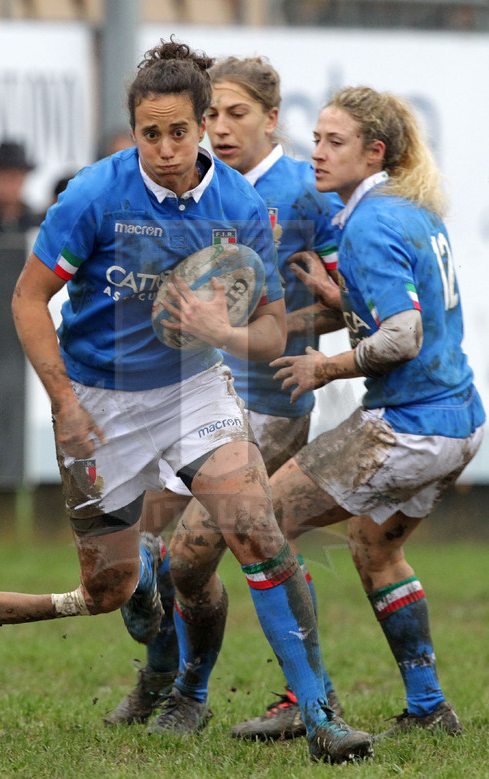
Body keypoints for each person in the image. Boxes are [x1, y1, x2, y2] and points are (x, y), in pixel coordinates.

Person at [0, 40, 373, 764]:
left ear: (204, 125)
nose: (167, 148)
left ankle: (321, 714)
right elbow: (27, 300)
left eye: (181, 131)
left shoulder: (240, 205)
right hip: (96, 399)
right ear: (133, 130)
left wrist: (223, 332)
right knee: (111, 590)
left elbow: (270, 329)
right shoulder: (92, 195)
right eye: (151, 134)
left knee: (255, 529)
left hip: (192, 387)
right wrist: (64, 404)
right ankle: (153, 629)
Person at [106, 55, 346, 741]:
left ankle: (214, 692)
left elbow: (353, 305)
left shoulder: (304, 192)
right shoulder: (189, 190)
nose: (220, 128)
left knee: (196, 558)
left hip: (269, 406)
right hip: (185, 400)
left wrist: (272, 327)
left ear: (272, 118)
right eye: (212, 115)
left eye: (237, 114)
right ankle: (160, 680)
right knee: (142, 558)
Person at [235, 85, 484, 739]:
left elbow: (403, 336)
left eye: (334, 142)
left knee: (261, 521)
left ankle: (308, 704)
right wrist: (339, 297)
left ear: (374, 152)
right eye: (315, 138)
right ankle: (429, 708)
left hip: (406, 428)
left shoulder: (370, 222)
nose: (317, 153)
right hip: (461, 426)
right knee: (375, 548)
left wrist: (326, 365)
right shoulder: (410, 210)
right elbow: (400, 311)